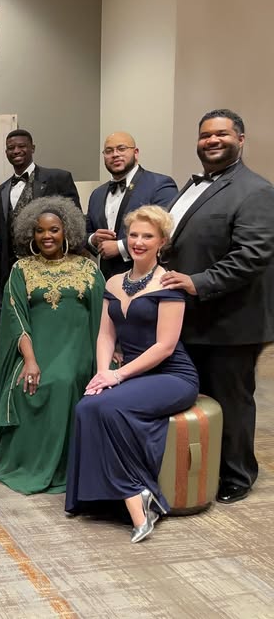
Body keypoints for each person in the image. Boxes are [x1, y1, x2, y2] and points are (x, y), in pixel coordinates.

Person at [66, 206, 198, 543]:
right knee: (86, 406)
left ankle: (137, 499)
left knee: (106, 408)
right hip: (131, 374)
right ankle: (111, 499)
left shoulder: (169, 282)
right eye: (134, 235)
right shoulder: (113, 281)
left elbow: (165, 347)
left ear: (162, 242)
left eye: (147, 236)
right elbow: (105, 335)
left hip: (172, 376)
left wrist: (117, 376)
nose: (138, 242)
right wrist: (102, 374)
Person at [162, 109, 274, 504]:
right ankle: (203, 469)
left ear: (241, 139)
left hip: (231, 321)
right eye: (205, 135)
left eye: (221, 134)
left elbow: (252, 255)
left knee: (231, 401)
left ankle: (237, 475)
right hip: (192, 317)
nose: (212, 140)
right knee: (200, 397)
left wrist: (198, 282)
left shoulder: (256, 191)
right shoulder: (191, 186)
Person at [0, 196, 104, 494]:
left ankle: (62, 465)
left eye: (54, 229)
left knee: (62, 382)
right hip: (35, 348)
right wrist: (30, 360)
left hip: (78, 347)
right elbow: (16, 317)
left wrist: (105, 357)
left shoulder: (88, 268)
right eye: (40, 230)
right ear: (30, 234)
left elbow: (101, 315)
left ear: (66, 231)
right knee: (27, 384)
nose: (47, 236)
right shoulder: (21, 269)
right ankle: (27, 460)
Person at [0, 129, 81, 287]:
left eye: (21, 146)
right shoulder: (1, 190)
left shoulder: (58, 178)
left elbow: (75, 225)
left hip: (52, 268)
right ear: (6, 153)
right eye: (11, 148)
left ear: (32, 148)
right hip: (12, 272)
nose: (16, 151)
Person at [86, 133, 177, 278]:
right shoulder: (97, 194)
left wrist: (120, 247)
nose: (115, 154)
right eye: (109, 151)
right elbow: (86, 232)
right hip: (106, 280)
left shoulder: (160, 185)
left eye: (121, 149)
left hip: (148, 279)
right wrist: (93, 239)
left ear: (136, 153)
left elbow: (167, 231)